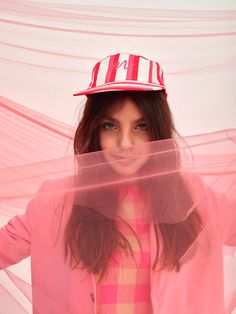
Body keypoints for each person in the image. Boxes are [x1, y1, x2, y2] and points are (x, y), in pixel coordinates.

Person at [0, 53, 235, 314]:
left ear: (159, 130)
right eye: (110, 126)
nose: (125, 143)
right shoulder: (55, 199)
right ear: (93, 130)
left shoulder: (195, 197)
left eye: (141, 126)